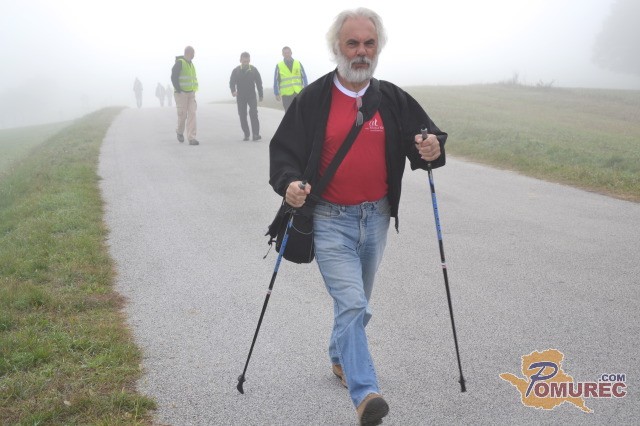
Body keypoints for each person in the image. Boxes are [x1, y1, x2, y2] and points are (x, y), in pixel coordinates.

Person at [268, 7, 446, 425]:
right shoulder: (313, 99)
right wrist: (290, 183)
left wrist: (432, 147)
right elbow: (284, 153)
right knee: (351, 302)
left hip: (376, 218)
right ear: (337, 47)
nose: (362, 52)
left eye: (369, 43)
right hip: (329, 218)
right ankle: (366, 394)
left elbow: (427, 138)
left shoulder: (392, 98)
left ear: (377, 47)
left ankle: (339, 356)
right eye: (353, 43)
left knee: (358, 304)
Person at [229, 52, 263, 141]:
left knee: (253, 113)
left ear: (249, 60)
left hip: (251, 95)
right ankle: (246, 134)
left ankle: (255, 134)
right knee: (242, 115)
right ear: (240, 60)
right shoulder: (236, 70)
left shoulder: (253, 70)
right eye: (244, 61)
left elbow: (259, 83)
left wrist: (261, 94)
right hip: (240, 96)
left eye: (247, 61)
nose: (246, 63)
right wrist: (233, 91)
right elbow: (232, 82)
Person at [171, 46, 199, 145]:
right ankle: (179, 132)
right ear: (188, 53)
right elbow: (173, 77)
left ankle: (191, 138)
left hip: (191, 93)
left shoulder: (191, 64)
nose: (194, 55)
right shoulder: (180, 63)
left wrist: (194, 90)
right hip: (181, 93)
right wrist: (178, 89)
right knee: (182, 115)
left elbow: (193, 79)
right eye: (193, 53)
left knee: (192, 114)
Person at [273, 46, 308, 112]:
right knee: (288, 113)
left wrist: (306, 89)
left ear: (291, 53)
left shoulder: (298, 63)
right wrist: (276, 93)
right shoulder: (279, 65)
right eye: (285, 53)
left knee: (298, 112)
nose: (287, 54)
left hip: (298, 92)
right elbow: (276, 80)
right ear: (282, 54)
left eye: (288, 52)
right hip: (286, 95)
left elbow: (304, 77)